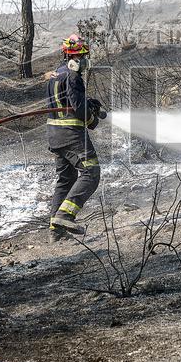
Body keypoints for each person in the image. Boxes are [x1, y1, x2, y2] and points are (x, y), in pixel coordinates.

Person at [45, 34, 106, 240]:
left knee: (67, 178)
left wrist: (89, 103)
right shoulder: (73, 76)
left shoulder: (55, 75)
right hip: (71, 135)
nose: (83, 62)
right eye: (80, 57)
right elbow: (78, 109)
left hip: (55, 136)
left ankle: (57, 229)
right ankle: (65, 215)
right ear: (72, 58)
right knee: (91, 172)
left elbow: (66, 101)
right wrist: (91, 118)